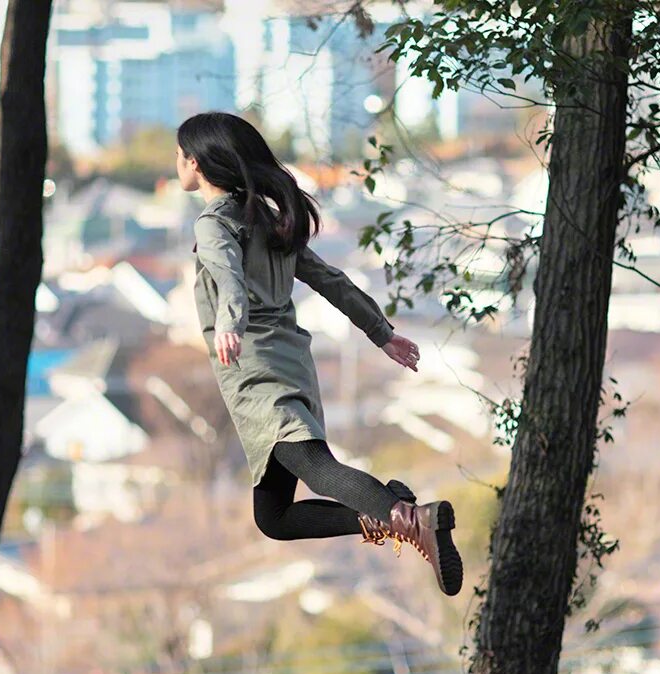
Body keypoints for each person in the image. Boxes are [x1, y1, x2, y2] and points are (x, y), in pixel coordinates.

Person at [175, 111, 463, 596]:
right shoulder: (265, 219)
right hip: (291, 363)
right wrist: (381, 332)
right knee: (276, 517)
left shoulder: (212, 224)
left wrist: (230, 320)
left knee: (317, 469)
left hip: (256, 371)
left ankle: (412, 518)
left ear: (196, 163)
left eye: (179, 155)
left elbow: (227, 274)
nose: (176, 163)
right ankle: (397, 518)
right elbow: (330, 279)